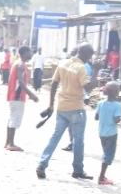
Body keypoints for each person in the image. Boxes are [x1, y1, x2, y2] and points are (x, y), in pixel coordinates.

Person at [36, 42, 95, 180]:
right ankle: (78, 170)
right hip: (76, 108)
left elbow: (54, 83)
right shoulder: (81, 68)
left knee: (55, 137)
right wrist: (97, 70)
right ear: (85, 54)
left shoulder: (62, 63)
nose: (90, 59)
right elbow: (89, 87)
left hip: (61, 107)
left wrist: (51, 104)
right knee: (78, 140)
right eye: (90, 56)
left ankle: (42, 164)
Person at [6, 46, 40, 151]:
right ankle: (11, 143)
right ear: (25, 53)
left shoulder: (18, 63)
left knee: (12, 118)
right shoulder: (20, 64)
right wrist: (31, 94)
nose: (31, 54)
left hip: (14, 95)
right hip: (17, 95)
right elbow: (20, 81)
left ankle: (8, 142)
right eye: (30, 52)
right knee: (15, 118)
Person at [95, 81, 121, 186]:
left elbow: (96, 117)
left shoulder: (100, 103)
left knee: (105, 152)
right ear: (116, 92)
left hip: (101, 133)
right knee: (107, 155)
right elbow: (116, 120)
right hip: (111, 133)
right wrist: (120, 117)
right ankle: (101, 177)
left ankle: (102, 176)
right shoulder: (117, 105)